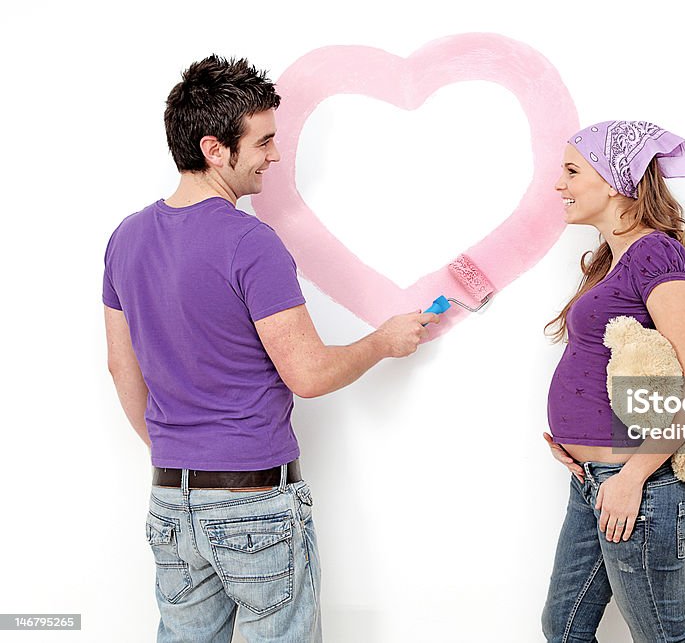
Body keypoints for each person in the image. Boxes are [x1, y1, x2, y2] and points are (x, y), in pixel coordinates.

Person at [102, 55, 438, 643]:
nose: (274, 155)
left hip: (170, 502)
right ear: (214, 148)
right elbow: (307, 374)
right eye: (263, 142)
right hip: (253, 504)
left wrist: (177, 451)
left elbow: (119, 365)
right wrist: (383, 341)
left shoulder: (125, 239)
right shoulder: (250, 242)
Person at [541, 121, 685, 642]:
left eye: (572, 171)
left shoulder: (655, 253)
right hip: (594, 478)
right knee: (564, 627)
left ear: (618, 179)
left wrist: (634, 475)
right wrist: (577, 441)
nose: (559, 185)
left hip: (639, 484)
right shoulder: (610, 258)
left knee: (663, 638)